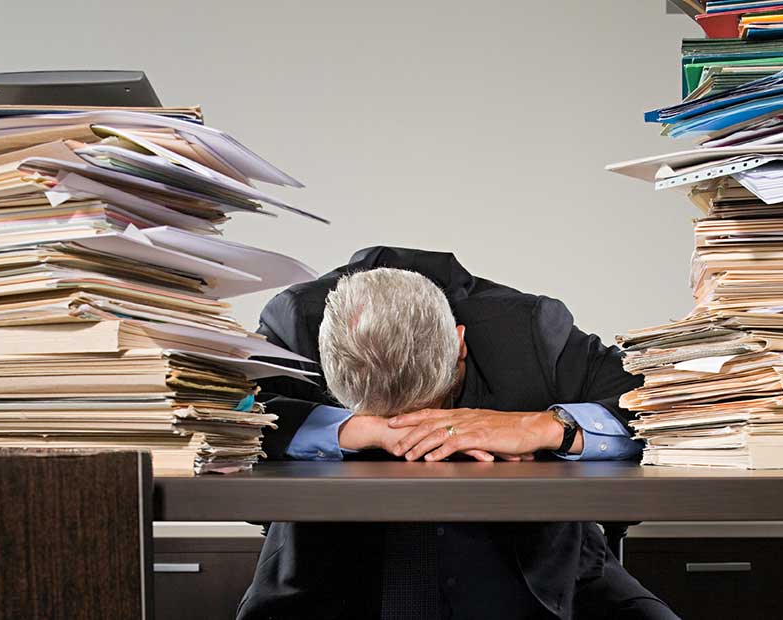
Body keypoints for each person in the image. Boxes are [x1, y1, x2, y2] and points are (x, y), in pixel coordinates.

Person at [236, 246, 679, 620]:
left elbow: (662, 403)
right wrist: (350, 429)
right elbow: (224, 413)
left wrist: (541, 426)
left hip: (543, 578)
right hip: (327, 582)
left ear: (460, 342)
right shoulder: (295, 322)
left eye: (428, 411)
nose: (416, 434)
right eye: (394, 420)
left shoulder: (533, 330)